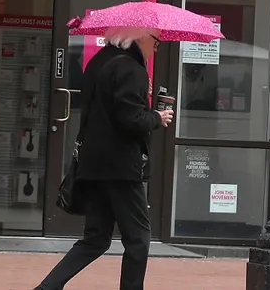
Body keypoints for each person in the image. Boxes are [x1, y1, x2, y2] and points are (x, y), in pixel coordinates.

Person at [33, 27, 174, 290]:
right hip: (121, 167)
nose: (156, 48)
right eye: (156, 42)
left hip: (93, 163)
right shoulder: (132, 69)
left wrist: (141, 93)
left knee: (95, 238)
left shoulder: (98, 61)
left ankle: (46, 288)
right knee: (138, 239)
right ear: (140, 36)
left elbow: (106, 108)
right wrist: (157, 117)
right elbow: (131, 120)